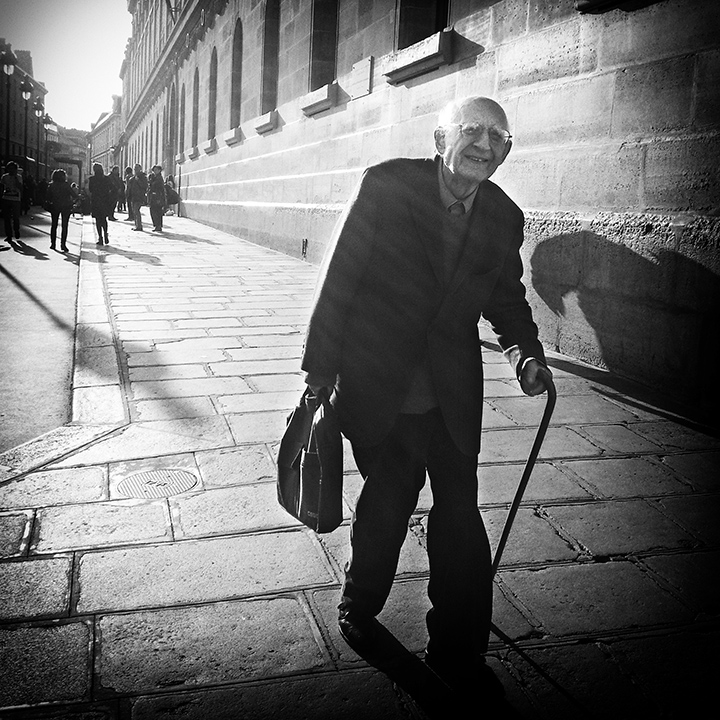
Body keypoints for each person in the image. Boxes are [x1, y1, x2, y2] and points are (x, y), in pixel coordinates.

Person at [301, 96, 552, 710]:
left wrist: (525, 351)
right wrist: (318, 375)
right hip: (380, 384)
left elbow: (507, 297)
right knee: (387, 503)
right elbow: (341, 278)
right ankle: (360, 605)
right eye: (473, 131)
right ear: (442, 137)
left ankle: (457, 646)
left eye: (500, 136)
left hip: (451, 393)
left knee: (462, 517)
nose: (486, 145)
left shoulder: (502, 215)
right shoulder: (387, 186)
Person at [45, 168, 78, 252]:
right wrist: (75, 200)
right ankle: (63, 245)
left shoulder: (51, 185)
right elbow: (74, 195)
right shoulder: (66, 185)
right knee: (64, 226)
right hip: (66, 206)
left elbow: (48, 197)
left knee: (54, 225)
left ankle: (53, 244)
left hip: (55, 206)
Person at [88, 163, 114, 245]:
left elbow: (90, 190)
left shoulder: (92, 179)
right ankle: (106, 234)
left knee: (98, 220)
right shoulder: (106, 178)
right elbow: (113, 188)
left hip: (96, 201)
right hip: (105, 201)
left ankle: (100, 238)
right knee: (104, 219)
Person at [1, 161, 23, 242]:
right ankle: (9, 235)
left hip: (16, 199)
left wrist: (15, 178)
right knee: (7, 218)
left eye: (13, 169)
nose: (11, 171)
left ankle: (16, 230)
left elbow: (20, 187)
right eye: (9, 169)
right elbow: (1, 187)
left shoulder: (19, 177)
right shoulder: (4, 177)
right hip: (6, 198)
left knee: (15, 217)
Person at [126, 163, 148, 231]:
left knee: (136, 210)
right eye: (135, 169)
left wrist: (138, 180)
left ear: (140, 169)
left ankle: (139, 226)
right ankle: (137, 225)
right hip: (133, 196)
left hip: (139, 196)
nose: (135, 170)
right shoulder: (133, 177)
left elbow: (145, 186)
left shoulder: (143, 177)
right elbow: (129, 186)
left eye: (137, 169)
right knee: (134, 211)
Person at [147, 164, 167, 232]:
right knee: (153, 211)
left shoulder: (159, 178)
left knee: (157, 212)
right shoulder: (153, 177)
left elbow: (159, 188)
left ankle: (158, 225)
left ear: (159, 170)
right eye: (154, 170)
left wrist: (160, 198)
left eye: (156, 170)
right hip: (153, 197)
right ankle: (156, 225)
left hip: (158, 197)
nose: (154, 171)